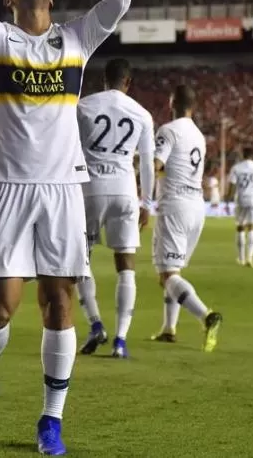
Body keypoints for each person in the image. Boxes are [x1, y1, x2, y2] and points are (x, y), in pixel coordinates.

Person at [0, 0, 130, 455]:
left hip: (61, 189)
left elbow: (118, 1)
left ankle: (50, 419)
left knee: (60, 305)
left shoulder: (74, 39)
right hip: (7, 186)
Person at [75, 58, 155, 359]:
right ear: (128, 82)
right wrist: (147, 202)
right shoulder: (142, 114)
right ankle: (121, 340)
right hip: (125, 192)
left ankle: (95, 323)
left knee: (80, 260)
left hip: (89, 191)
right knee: (126, 265)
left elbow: (70, 150)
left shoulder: (83, 106)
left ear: (104, 80)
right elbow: (146, 163)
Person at [150, 85, 223, 352]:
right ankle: (169, 328)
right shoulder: (199, 136)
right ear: (193, 107)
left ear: (172, 102)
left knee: (168, 275)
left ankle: (207, 316)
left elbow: (156, 165)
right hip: (196, 206)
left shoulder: (168, 130)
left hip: (175, 205)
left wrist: (139, 166)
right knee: (171, 272)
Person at [225, 146, 253, 268]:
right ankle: (250, 257)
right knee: (252, 228)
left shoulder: (236, 168)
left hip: (241, 199)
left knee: (240, 228)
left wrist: (228, 201)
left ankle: (241, 258)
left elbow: (232, 186)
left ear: (243, 154)